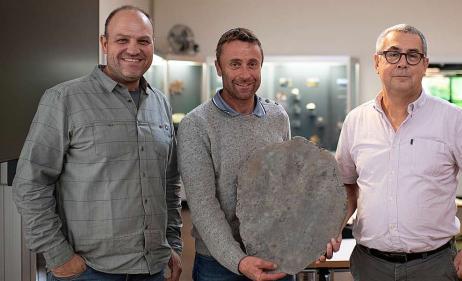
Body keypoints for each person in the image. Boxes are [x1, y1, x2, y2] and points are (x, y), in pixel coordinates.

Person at [13, 6, 182, 281]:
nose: (133, 49)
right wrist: (58, 256)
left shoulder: (160, 102)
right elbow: (30, 182)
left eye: (143, 41)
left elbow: (169, 182)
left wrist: (173, 244)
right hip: (88, 271)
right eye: (122, 40)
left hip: (152, 268)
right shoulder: (64, 99)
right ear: (104, 44)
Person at [329, 24, 462, 281]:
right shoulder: (356, 121)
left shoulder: (451, 119)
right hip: (370, 266)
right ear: (377, 62)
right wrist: (332, 228)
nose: (402, 63)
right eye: (393, 54)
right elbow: (347, 186)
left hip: (433, 266)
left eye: (413, 55)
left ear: (424, 65)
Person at [177, 28, 291, 281]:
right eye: (235, 64)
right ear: (219, 67)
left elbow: (286, 187)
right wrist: (238, 261)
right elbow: (204, 206)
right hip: (220, 266)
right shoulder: (196, 124)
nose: (245, 74)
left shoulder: (277, 116)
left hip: (275, 257)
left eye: (253, 64)